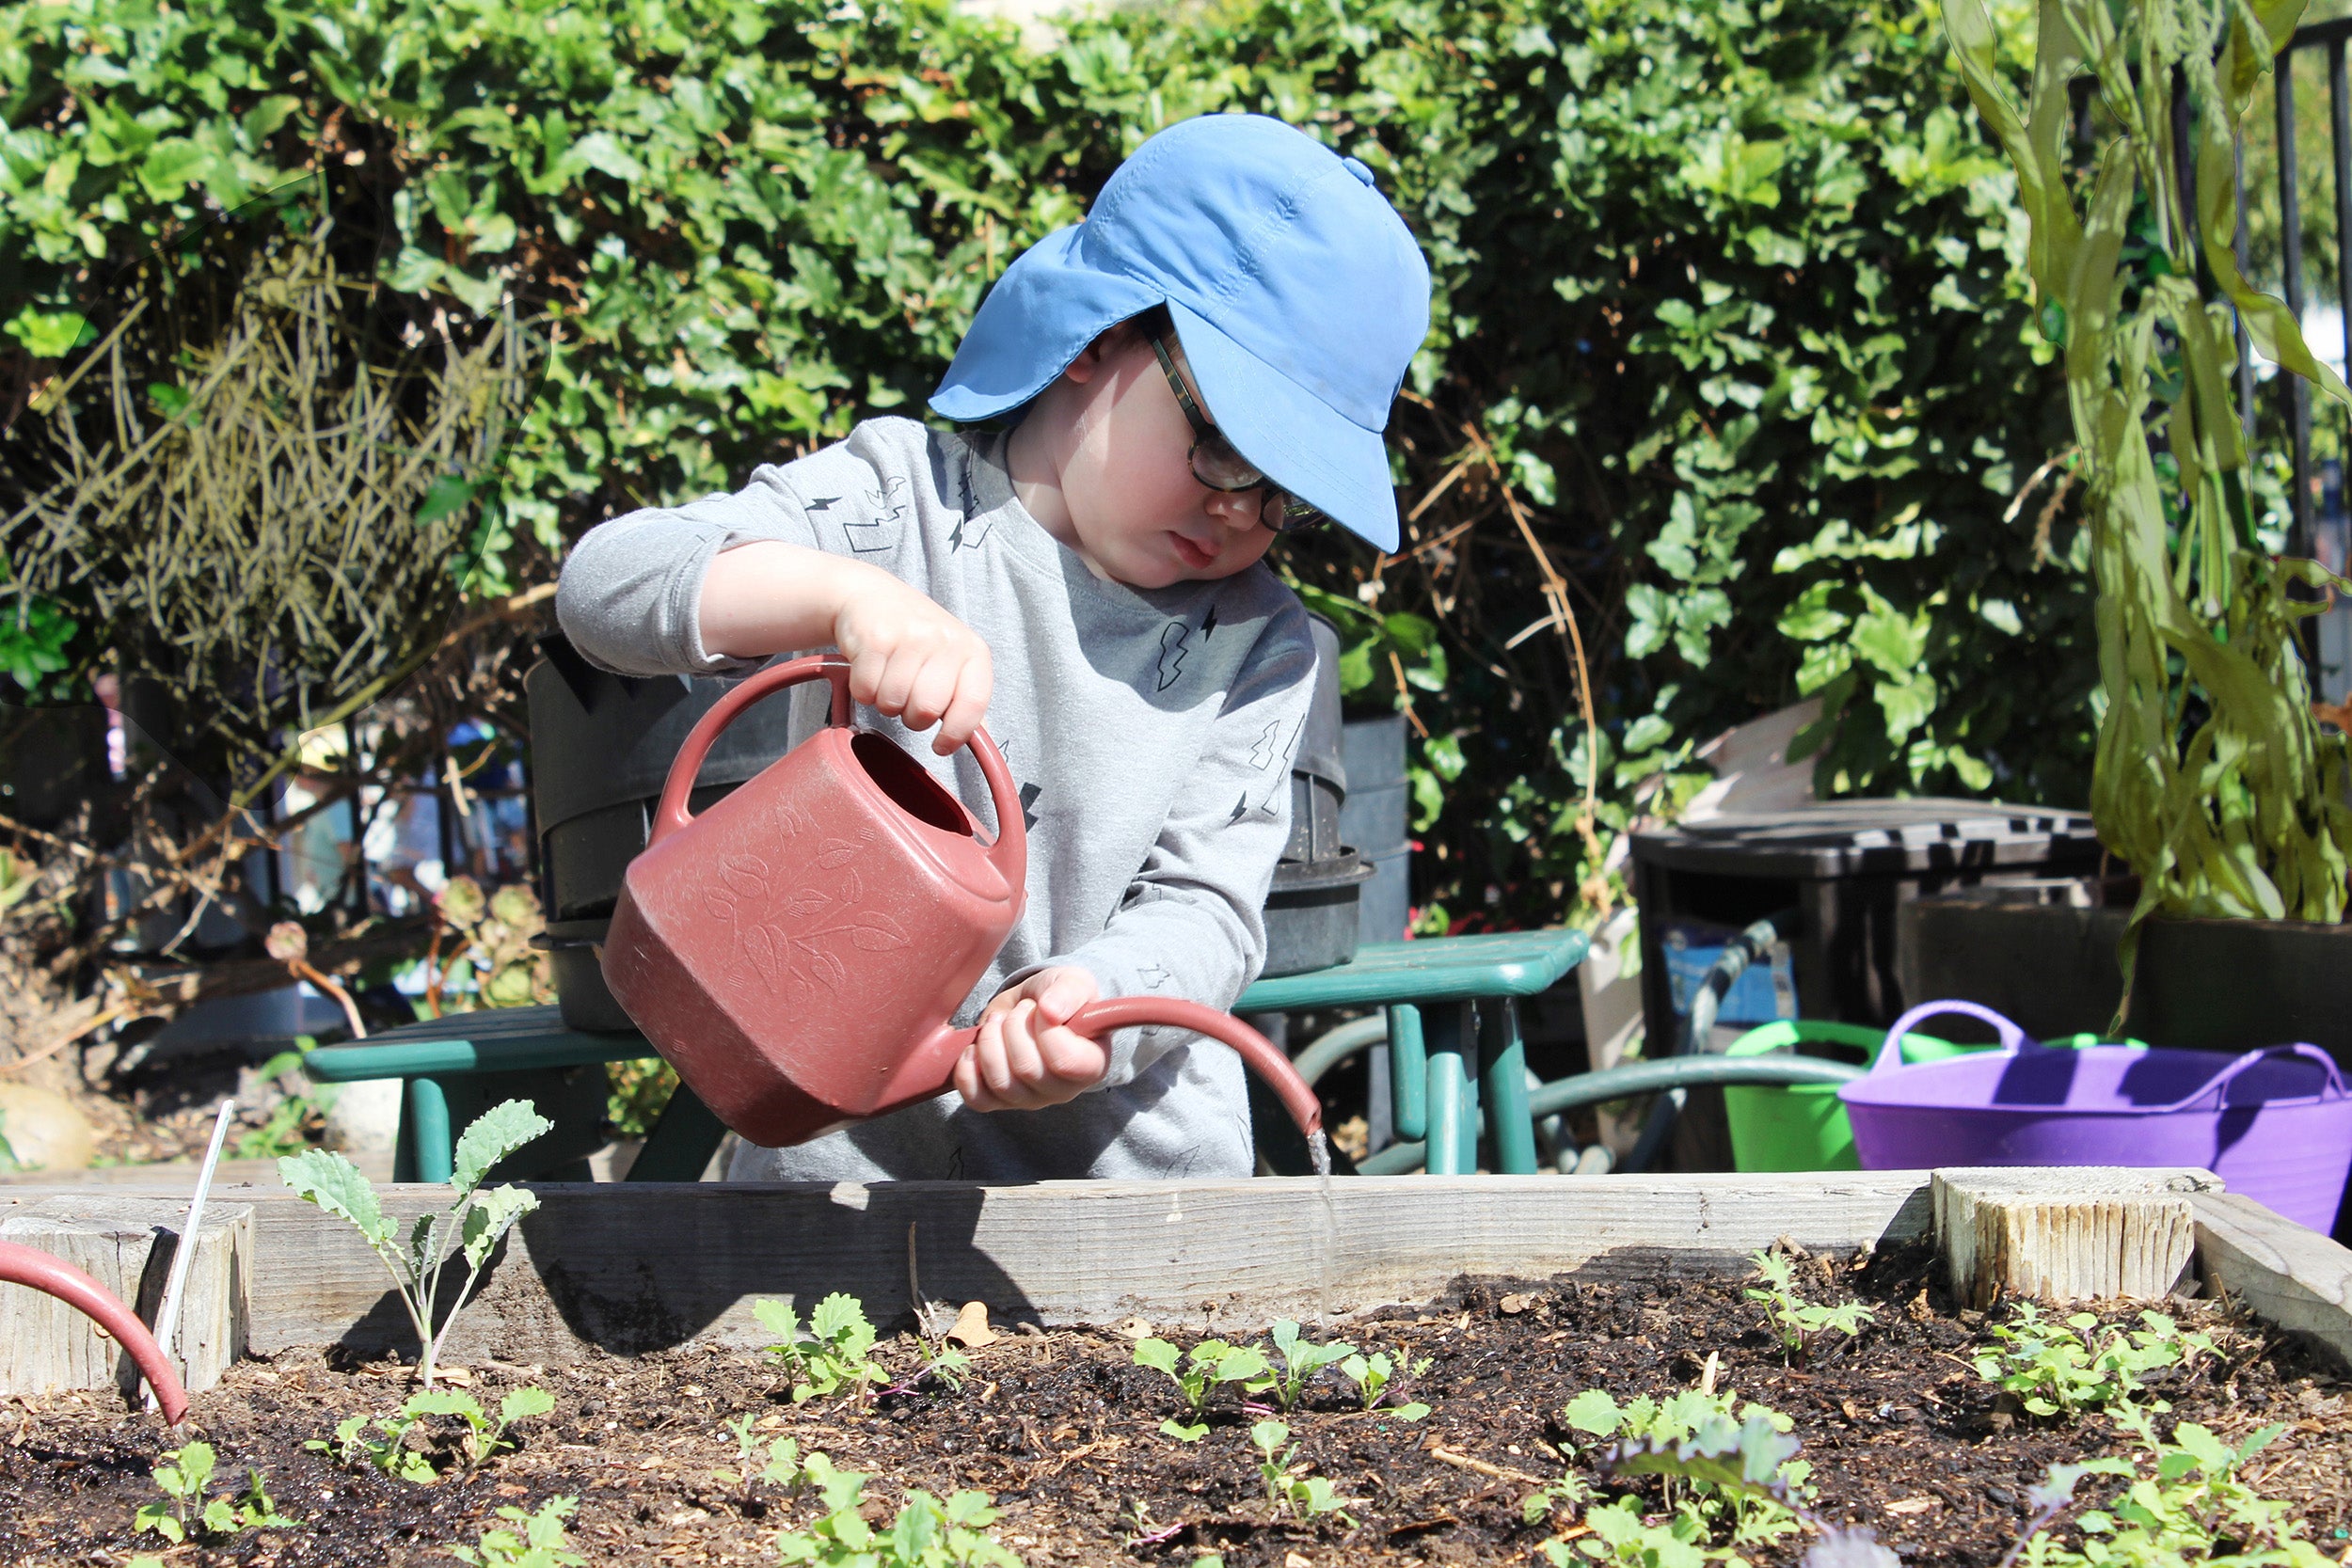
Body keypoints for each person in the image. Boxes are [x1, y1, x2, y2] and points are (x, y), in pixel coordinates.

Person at [556, 113, 1430, 1180]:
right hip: (836, 1185)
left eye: (1288, 494)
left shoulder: (1257, 644)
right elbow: (605, 582)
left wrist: (1097, 1000)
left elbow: (1208, 908)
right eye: (1222, 445)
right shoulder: (895, 507)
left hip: (1132, 1202)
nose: (1241, 511)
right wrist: (842, 596)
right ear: (1100, 337)